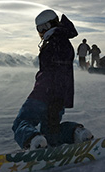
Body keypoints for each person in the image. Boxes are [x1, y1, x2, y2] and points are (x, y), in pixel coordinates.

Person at [12, 9, 93, 150]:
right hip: (60, 95)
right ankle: (77, 133)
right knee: (50, 133)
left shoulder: (55, 43)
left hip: (43, 93)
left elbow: (55, 72)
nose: (41, 33)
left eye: (42, 28)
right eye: (39, 29)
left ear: (50, 25)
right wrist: (58, 97)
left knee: (22, 122)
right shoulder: (63, 42)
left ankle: (33, 140)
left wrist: (49, 93)